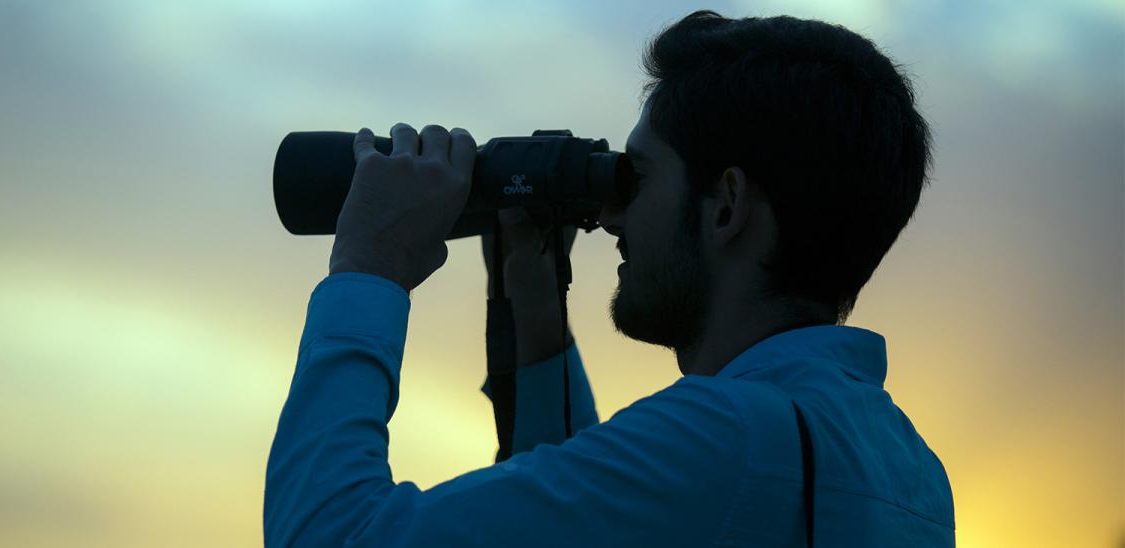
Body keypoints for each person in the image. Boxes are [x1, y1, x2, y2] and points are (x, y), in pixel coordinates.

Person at [264, 11, 955, 547]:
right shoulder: (909, 470)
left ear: (727, 207)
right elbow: (589, 520)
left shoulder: (726, 438)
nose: (612, 217)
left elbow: (332, 537)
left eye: (639, 176)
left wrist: (370, 267)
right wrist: (538, 322)